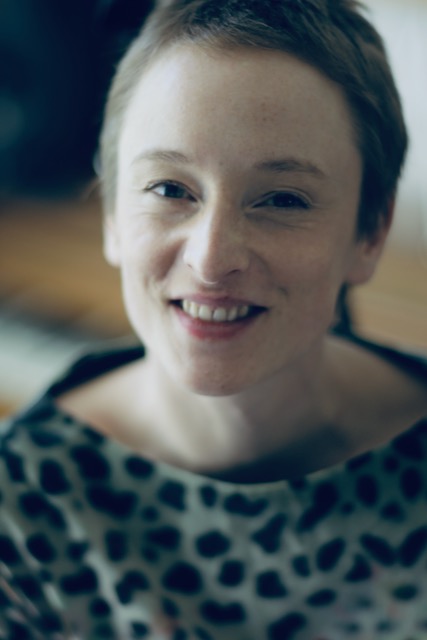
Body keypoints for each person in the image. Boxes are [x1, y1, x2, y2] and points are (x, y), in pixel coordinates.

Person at [1, 0, 427, 638]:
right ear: (112, 214)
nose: (210, 259)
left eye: (282, 198)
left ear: (371, 232)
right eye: (170, 189)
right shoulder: (20, 511)